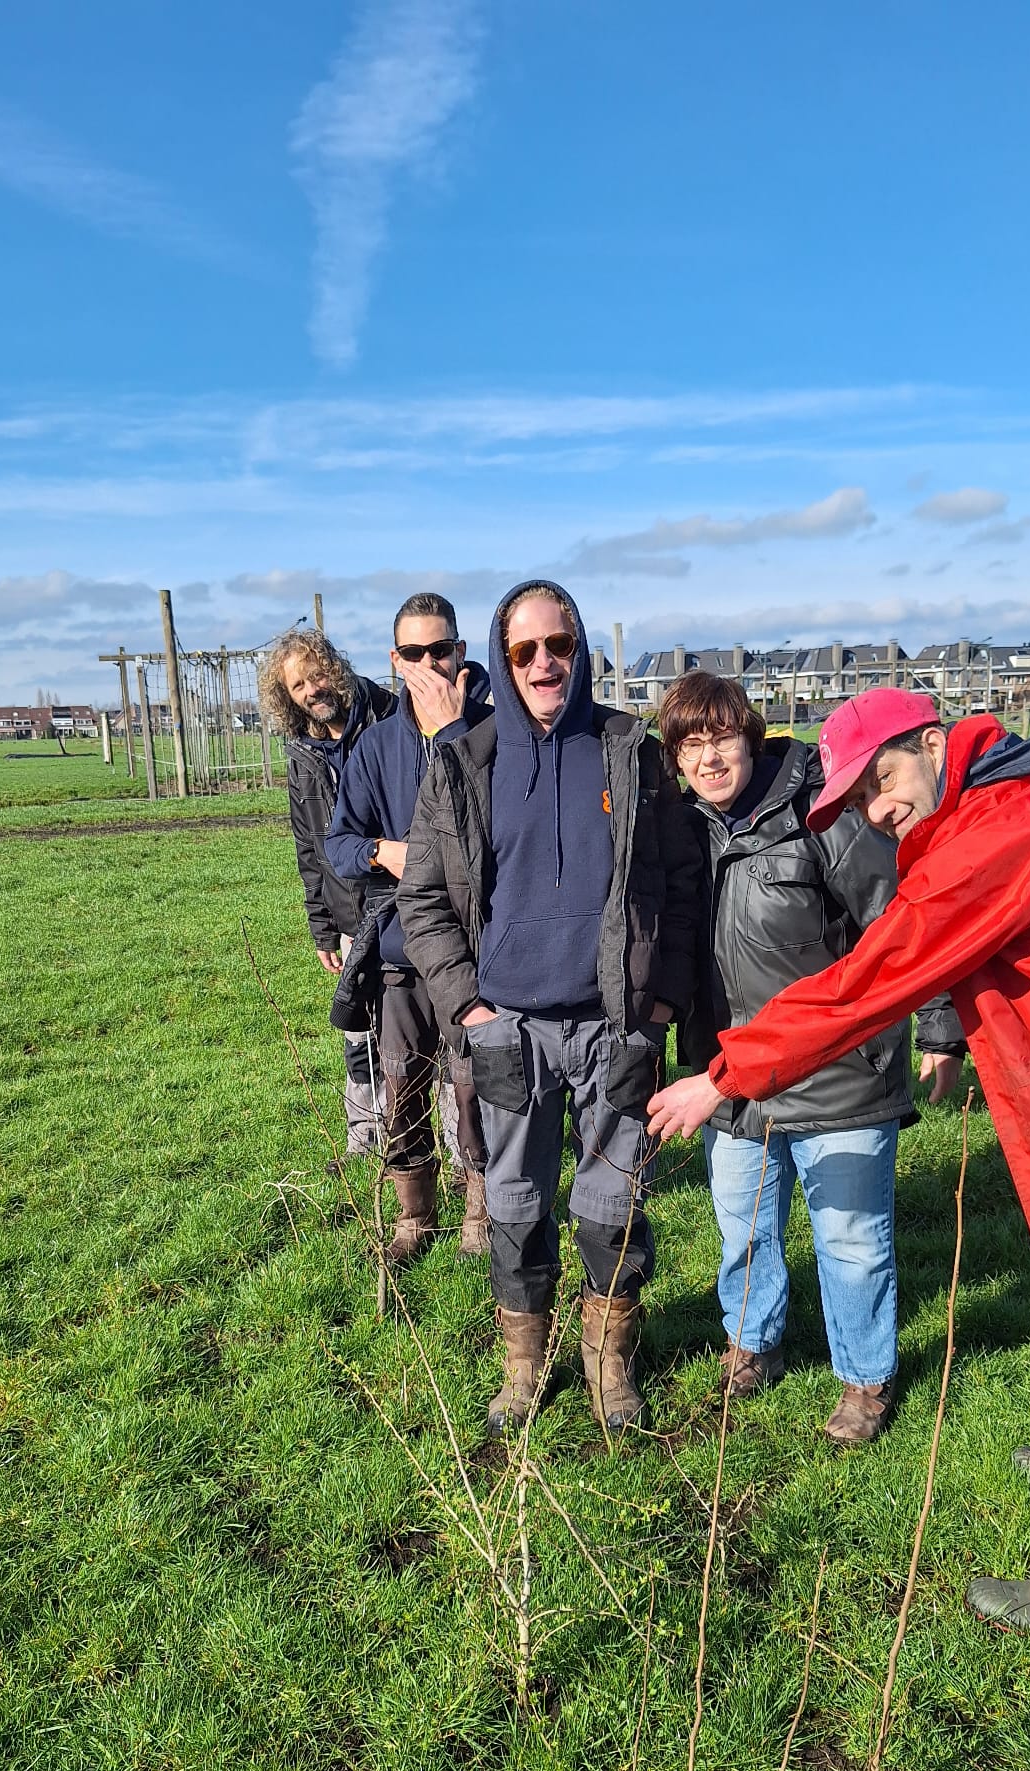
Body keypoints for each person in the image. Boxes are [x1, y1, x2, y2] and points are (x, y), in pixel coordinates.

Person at [647, 687, 1030, 1635]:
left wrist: (723, 1075)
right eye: (857, 801)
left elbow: (867, 982)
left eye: (884, 782)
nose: (877, 811)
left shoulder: (1005, 829)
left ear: (936, 743)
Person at [399, 580, 703, 1438]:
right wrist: (468, 1010)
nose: (544, 663)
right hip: (510, 1034)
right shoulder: (462, 765)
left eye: (559, 645)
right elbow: (422, 902)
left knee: (611, 1211)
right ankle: (524, 1370)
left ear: (581, 651)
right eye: (525, 650)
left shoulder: (629, 752)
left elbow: (681, 889)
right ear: (502, 658)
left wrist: (657, 1011)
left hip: (615, 1026)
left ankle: (611, 1366)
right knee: (516, 1207)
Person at [660, 669, 963, 1444]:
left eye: (722, 738)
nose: (710, 760)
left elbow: (899, 926)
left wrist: (938, 1028)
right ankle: (751, 1343)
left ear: (750, 736)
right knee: (745, 1230)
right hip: (729, 1072)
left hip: (839, 1066)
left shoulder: (822, 813)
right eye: (691, 746)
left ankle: (864, 1377)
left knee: (852, 1238)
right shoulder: (679, 830)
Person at [324, 594, 494, 1262]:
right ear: (394, 661)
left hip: (477, 953)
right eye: (413, 653)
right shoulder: (374, 747)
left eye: (440, 650)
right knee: (401, 1085)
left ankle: (481, 1213)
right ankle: (412, 1218)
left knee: (477, 1086)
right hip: (398, 953)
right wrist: (381, 852)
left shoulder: (492, 732)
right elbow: (337, 844)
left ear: (460, 653)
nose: (428, 664)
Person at [261, 626, 396, 1161]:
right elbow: (308, 846)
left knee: (425, 1027)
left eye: (316, 675)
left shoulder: (388, 715)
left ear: (335, 668)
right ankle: (364, 1137)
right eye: (297, 686)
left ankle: (454, 1151)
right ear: (288, 698)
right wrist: (322, 925)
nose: (312, 690)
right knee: (359, 1030)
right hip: (347, 912)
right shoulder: (302, 752)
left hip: (407, 900)